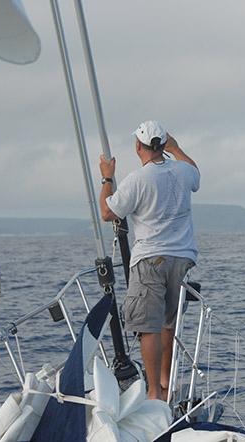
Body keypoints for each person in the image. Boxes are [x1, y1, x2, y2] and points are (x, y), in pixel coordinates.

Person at [98, 120, 199, 401]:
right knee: (168, 322)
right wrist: (177, 149)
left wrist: (107, 178)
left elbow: (108, 213)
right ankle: (165, 383)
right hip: (182, 259)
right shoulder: (183, 171)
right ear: (164, 144)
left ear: (138, 146)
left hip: (150, 259)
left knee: (149, 326)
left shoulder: (138, 180)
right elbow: (196, 174)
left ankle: (154, 392)